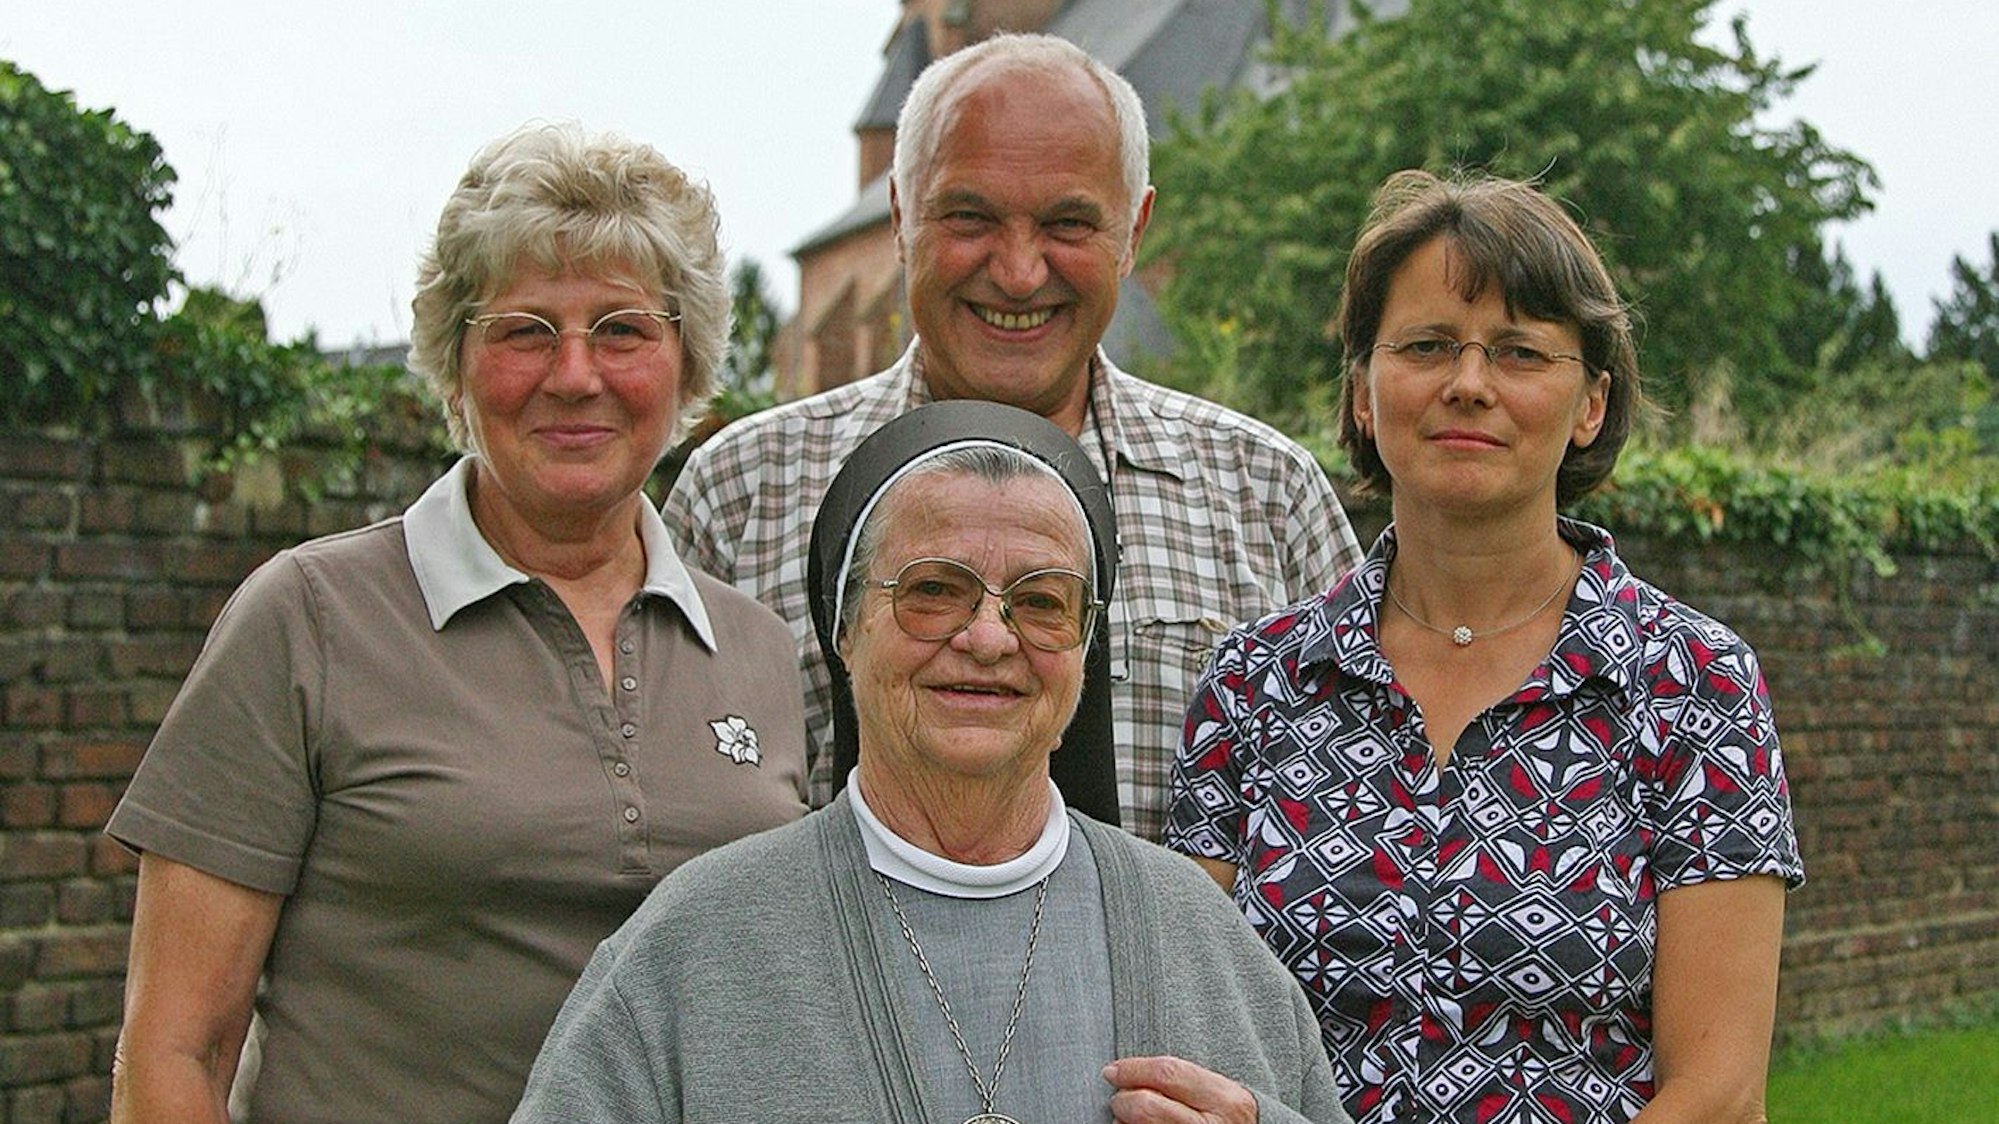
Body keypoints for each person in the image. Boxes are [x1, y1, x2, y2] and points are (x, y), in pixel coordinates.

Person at [105, 122, 810, 1124]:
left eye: (621, 328)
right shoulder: (310, 617)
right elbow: (175, 1047)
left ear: (685, 359)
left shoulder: (755, 647)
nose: (576, 373)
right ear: (455, 360)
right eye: (525, 329)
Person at [1166, 171, 1803, 1124]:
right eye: (1426, 347)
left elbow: (1718, 1094)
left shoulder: (1693, 686)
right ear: (1363, 394)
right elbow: (1192, 1024)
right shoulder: (1254, 686)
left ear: (1589, 404)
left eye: (1518, 352)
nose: (1468, 384)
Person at [513, 401, 1350, 1124]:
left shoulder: (1197, 931)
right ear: (844, 633)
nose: (988, 638)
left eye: (1040, 603)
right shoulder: (696, 941)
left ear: (1082, 655)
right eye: (931, 590)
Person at [665, 32, 1362, 839]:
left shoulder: (1265, 494)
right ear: (898, 216)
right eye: (970, 216)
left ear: (1134, 232)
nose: (1020, 272)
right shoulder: (743, 493)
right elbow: (678, 823)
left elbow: (1343, 819)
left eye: (1068, 223)